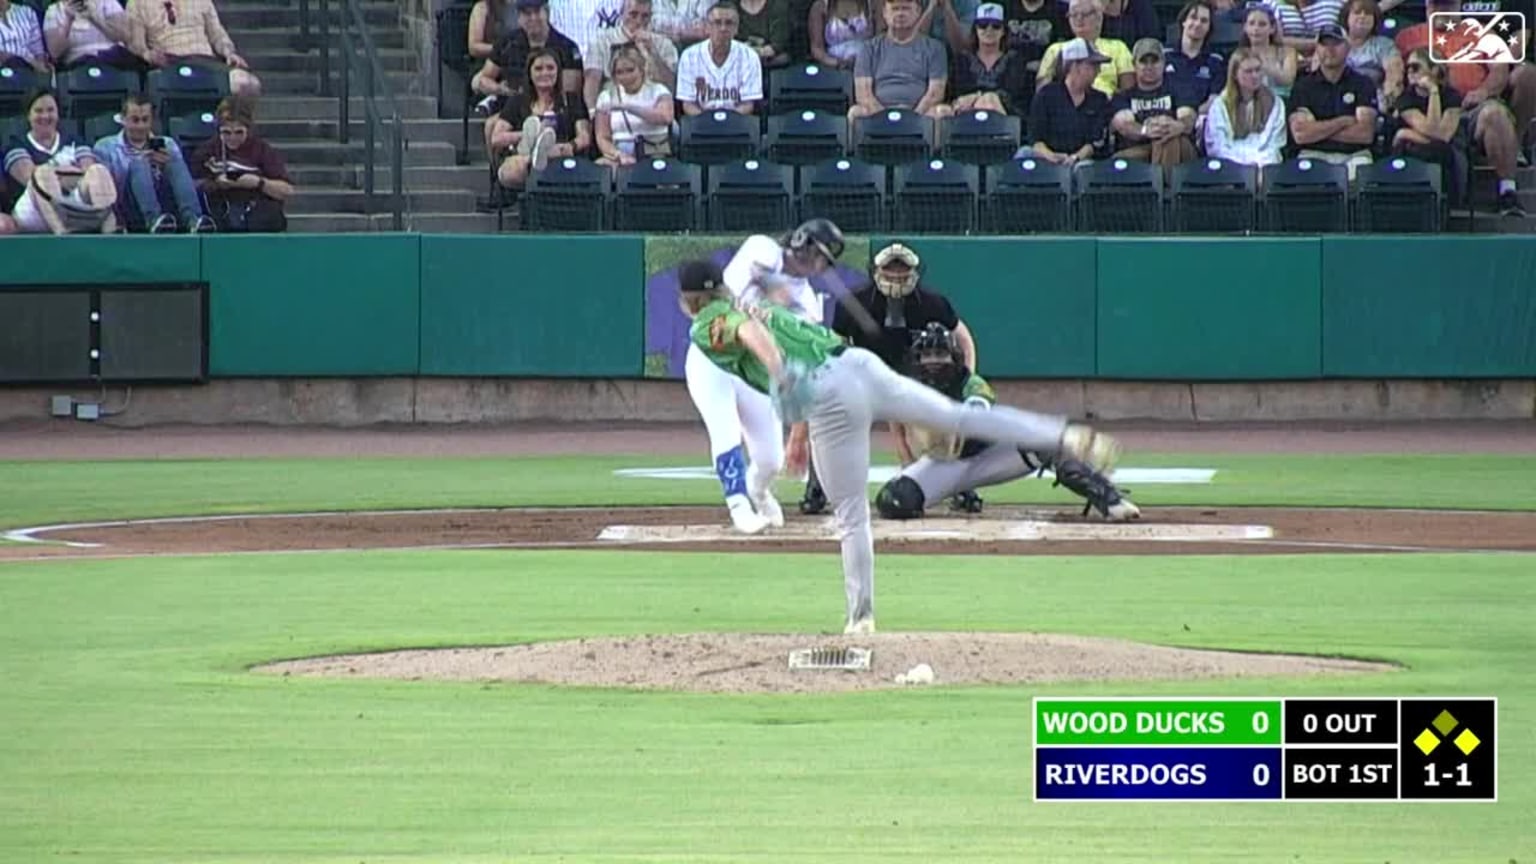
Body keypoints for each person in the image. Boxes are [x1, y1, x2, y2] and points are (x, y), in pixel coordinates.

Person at [677, 256, 1123, 635]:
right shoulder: (748, 302)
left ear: (688, 301)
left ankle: (861, 618)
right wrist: (773, 284)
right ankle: (1061, 435)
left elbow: (748, 336)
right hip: (859, 364)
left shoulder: (706, 323)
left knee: (851, 515)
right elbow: (772, 312)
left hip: (827, 394)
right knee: (958, 415)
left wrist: (779, 373)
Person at [873, 322, 1140, 522]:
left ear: (955, 358)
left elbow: (979, 415)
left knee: (1048, 447)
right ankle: (957, 492)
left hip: (990, 454)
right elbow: (896, 423)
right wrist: (908, 461)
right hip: (944, 464)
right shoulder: (910, 388)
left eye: (940, 355)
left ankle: (1108, 498)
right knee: (894, 501)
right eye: (927, 356)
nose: (934, 363)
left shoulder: (971, 384)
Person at [684, 219, 843, 535]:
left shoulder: (807, 301)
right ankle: (738, 505)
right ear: (803, 243)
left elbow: (802, 366)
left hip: (755, 370)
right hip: (714, 356)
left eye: (824, 259)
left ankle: (757, 489)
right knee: (725, 432)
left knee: (771, 459)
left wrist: (799, 434)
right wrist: (771, 286)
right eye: (818, 254)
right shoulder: (762, 247)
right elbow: (734, 289)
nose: (818, 264)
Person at [822, 241, 979, 513]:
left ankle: (958, 484)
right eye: (890, 269)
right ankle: (819, 487)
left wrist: (966, 378)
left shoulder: (932, 303)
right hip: (863, 376)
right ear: (876, 270)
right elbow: (831, 347)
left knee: (951, 421)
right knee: (828, 416)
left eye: (902, 270)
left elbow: (963, 337)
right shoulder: (853, 302)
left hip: (919, 377)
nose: (896, 275)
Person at [93, 93, 216, 233]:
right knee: (139, 165)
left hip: (165, 204)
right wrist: (141, 164)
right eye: (135, 120)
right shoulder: (105, 146)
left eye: (145, 120)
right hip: (126, 206)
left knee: (174, 162)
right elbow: (106, 189)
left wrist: (162, 168)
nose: (140, 126)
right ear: (123, 119)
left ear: (152, 121)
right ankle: (153, 221)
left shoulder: (167, 144)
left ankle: (194, 220)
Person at [4, 88, 119, 234]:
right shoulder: (16, 145)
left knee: (99, 171)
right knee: (42, 174)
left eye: (50, 110)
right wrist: (71, 172)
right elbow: (31, 179)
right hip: (33, 211)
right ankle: (62, 234)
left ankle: (110, 235)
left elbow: (89, 172)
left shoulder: (74, 140)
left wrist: (58, 173)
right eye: (38, 111)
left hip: (73, 204)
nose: (45, 116)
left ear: (58, 113)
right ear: (29, 115)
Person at [190, 97, 294, 232]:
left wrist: (258, 183)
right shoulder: (207, 151)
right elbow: (191, 185)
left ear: (248, 129)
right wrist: (216, 183)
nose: (232, 138)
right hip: (220, 210)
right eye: (226, 133)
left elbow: (286, 190)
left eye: (239, 132)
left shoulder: (262, 150)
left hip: (256, 212)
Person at [1204, 45, 1288, 166]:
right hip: (1231, 164)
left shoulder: (1275, 102)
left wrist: (1256, 163)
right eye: (1248, 71)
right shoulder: (1220, 105)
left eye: (1258, 70)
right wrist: (1245, 164)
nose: (1255, 76)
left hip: (1263, 163)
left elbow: (1274, 144)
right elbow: (1218, 147)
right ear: (1234, 74)